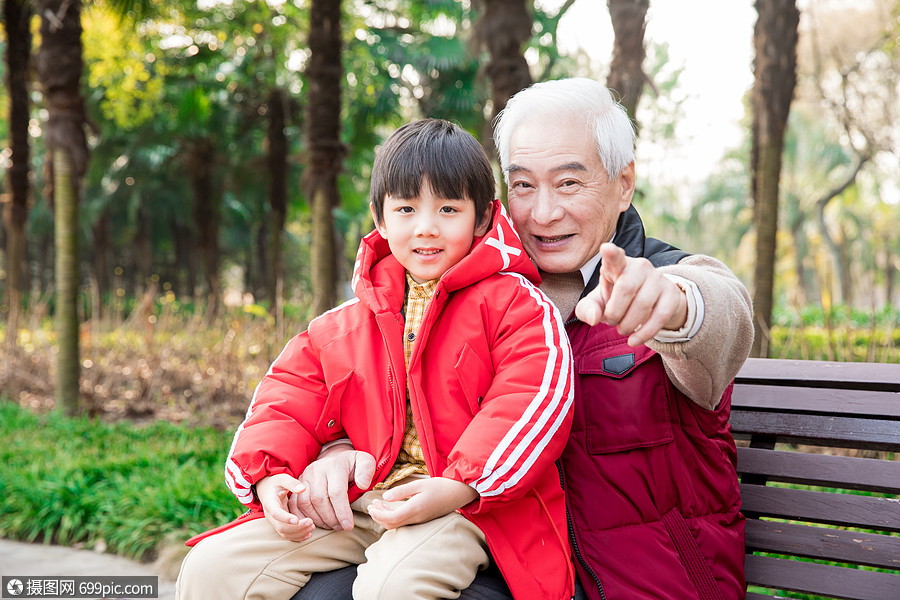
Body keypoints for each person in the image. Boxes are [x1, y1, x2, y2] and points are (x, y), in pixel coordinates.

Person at [290, 78, 754, 600]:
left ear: (623, 183)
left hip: (639, 584)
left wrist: (675, 305)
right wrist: (338, 448)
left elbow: (724, 315)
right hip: (505, 561)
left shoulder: (661, 278)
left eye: (569, 183)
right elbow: (400, 404)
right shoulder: (468, 289)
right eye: (524, 186)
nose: (543, 213)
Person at [175, 118, 577, 600]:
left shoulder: (516, 304)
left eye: (448, 209)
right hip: (366, 501)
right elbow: (286, 400)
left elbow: (532, 399)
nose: (426, 227)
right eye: (406, 209)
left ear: (483, 218)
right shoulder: (344, 324)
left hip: (468, 507)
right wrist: (270, 477)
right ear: (380, 219)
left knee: (393, 585)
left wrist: (459, 486)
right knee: (212, 567)